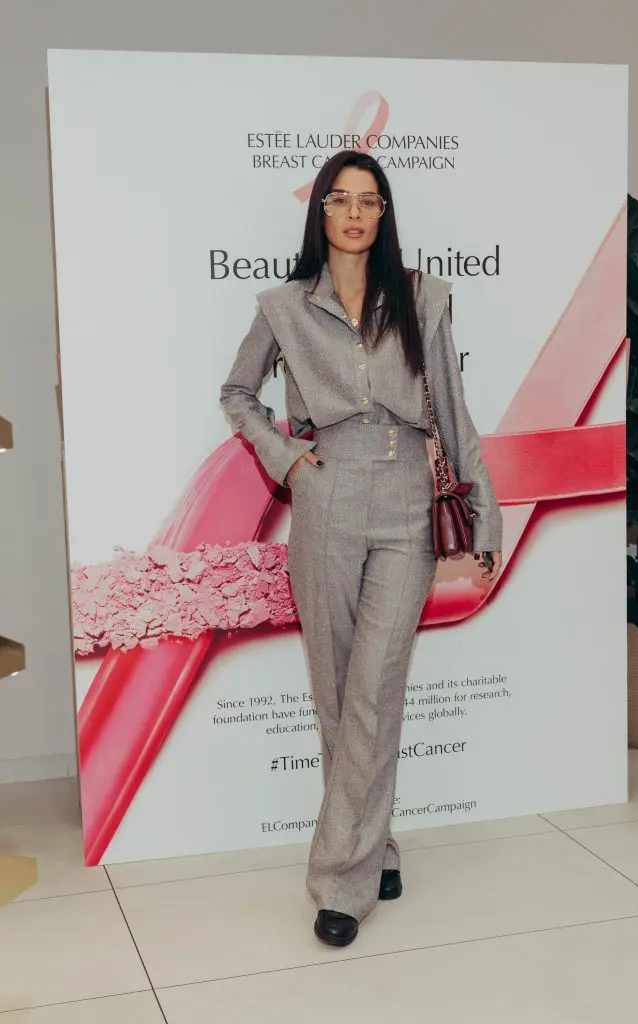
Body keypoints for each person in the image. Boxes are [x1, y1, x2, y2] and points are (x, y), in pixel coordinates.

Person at [220, 150, 502, 947]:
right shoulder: (282, 306)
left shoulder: (422, 296)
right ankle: (376, 848)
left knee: (374, 690)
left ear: (383, 213)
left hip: (407, 499)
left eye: (367, 200)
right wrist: (285, 458)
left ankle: (340, 884)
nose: (353, 213)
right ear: (320, 213)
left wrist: (485, 516)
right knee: (339, 695)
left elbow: (452, 410)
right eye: (339, 200)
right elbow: (237, 392)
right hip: (326, 495)